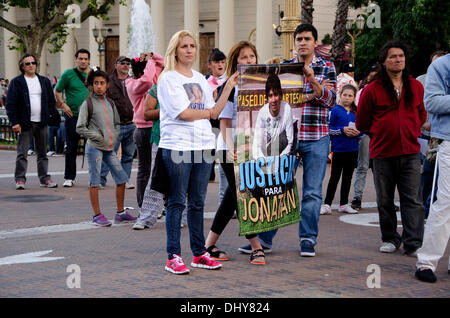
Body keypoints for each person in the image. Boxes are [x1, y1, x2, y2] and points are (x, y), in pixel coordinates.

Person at [240, 24, 337, 257]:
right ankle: (264, 240)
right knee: (276, 187)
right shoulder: (284, 68)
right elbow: (280, 101)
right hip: (285, 139)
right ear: (294, 42)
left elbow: (331, 101)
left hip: (316, 136)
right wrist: (314, 93)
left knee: (312, 192)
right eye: (299, 39)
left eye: (307, 39)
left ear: (315, 42)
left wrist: (313, 82)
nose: (303, 42)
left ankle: (307, 239)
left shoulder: (327, 67)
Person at [157, 30, 238, 274]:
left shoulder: (200, 79)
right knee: (177, 201)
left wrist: (228, 87)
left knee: (198, 203)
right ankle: (173, 255)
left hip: (203, 146)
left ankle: (199, 253)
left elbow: (215, 111)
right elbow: (183, 113)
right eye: (184, 46)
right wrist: (208, 113)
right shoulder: (168, 78)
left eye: (192, 45)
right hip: (177, 147)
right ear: (175, 50)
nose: (190, 49)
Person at [205, 46, 282, 266]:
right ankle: (257, 247)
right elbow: (224, 123)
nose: (249, 60)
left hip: (254, 150)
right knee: (243, 195)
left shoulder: (264, 84)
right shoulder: (230, 86)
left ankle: (209, 244)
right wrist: (230, 148)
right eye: (244, 57)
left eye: (252, 56)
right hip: (231, 148)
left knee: (232, 198)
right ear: (236, 62)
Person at [356, 40, 427, 256]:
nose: (398, 60)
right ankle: (390, 238)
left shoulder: (416, 86)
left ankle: (413, 242)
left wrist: (411, 129)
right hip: (383, 153)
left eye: (401, 56)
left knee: (412, 200)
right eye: (393, 56)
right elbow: (362, 122)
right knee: (385, 200)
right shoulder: (372, 90)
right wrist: (380, 133)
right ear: (384, 62)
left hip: (411, 153)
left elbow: (421, 114)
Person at [76, 69, 137, 227]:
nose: (99, 86)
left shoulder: (110, 103)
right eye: (96, 83)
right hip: (94, 148)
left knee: (122, 178)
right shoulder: (87, 104)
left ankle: (120, 212)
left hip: (109, 148)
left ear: (107, 85)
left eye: (102, 83)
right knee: (95, 181)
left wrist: (114, 137)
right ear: (91, 85)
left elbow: (116, 123)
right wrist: (96, 136)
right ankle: (97, 215)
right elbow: (80, 127)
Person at [415, 53, 450, 283]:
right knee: (444, 202)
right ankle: (426, 263)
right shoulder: (441, 65)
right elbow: (432, 102)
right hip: (448, 141)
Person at [5, 53, 58, 189]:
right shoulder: (17, 82)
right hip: (25, 123)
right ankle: (20, 179)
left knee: (42, 153)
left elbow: (51, 101)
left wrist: (50, 116)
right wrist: (15, 122)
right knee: (22, 153)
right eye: (27, 63)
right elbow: (10, 104)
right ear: (22, 66)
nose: (31, 65)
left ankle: (44, 178)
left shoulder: (44, 81)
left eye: (33, 63)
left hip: (42, 122)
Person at [126, 52, 164, 208]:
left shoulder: (152, 79)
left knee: (160, 169)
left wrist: (152, 55)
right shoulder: (132, 84)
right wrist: (149, 62)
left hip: (157, 128)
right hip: (143, 130)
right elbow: (148, 80)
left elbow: (162, 64)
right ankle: (143, 205)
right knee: (145, 169)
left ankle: (159, 204)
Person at [416, 50, 447, 218]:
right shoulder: (421, 80)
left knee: (439, 174)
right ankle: (421, 206)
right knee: (428, 172)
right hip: (425, 135)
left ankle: (430, 206)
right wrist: (421, 123)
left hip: (440, 133)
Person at [321, 85, 361, 215]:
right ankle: (327, 204)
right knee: (334, 177)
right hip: (338, 150)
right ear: (340, 95)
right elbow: (329, 129)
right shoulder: (335, 110)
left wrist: (358, 133)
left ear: (354, 97)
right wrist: (342, 130)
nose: (347, 98)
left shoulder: (357, 112)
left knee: (348, 178)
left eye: (350, 96)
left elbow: (364, 130)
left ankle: (344, 204)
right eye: (345, 95)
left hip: (353, 149)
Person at [54, 49, 91, 187]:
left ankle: (95, 177)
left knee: (94, 148)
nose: (83, 61)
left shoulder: (92, 74)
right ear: (75, 59)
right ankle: (69, 177)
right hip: (73, 115)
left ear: (89, 60)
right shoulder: (68, 74)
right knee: (71, 147)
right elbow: (57, 90)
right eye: (80, 58)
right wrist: (63, 105)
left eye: (86, 59)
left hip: (91, 117)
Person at [99, 56, 136, 189]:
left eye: (128, 63)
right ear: (116, 65)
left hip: (132, 124)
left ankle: (124, 180)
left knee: (128, 156)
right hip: (115, 125)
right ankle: (100, 180)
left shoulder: (134, 80)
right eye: (122, 63)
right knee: (109, 154)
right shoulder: (108, 81)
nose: (125, 65)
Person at [350, 64, 377, 210]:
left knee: (383, 168)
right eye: (372, 75)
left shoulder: (386, 90)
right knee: (363, 166)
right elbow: (360, 112)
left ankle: (386, 200)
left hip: (380, 133)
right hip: (367, 133)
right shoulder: (363, 92)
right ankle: (357, 197)